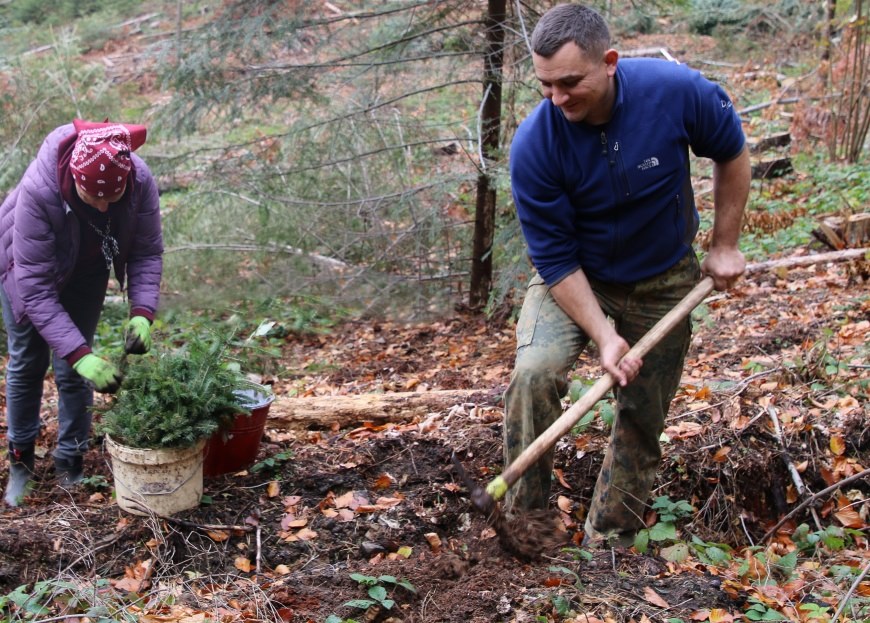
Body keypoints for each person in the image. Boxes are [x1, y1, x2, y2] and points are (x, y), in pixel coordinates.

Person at [504, 4, 750, 547]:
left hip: (664, 275)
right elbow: (555, 257)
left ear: (609, 62)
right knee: (534, 375)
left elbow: (732, 153)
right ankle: (528, 528)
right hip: (575, 276)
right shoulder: (535, 145)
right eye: (545, 85)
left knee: (643, 412)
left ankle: (608, 544)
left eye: (570, 82)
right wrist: (604, 335)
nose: (557, 99)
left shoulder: (677, 92)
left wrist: (725, 245)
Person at [1, 119, 164, 507]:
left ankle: (70, 459)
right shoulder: (40, 192)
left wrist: (142, 311)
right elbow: (36, 291)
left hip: (87, 272)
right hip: (23, 273)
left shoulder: (138, 180)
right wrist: (79, 355)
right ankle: (21, 461)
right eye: (94, 198)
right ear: (74, 177)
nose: (105, 206)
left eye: (113, 197)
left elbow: (146, 251)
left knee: (73, 372)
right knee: (28, 362)